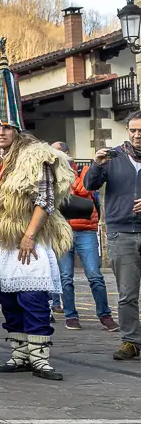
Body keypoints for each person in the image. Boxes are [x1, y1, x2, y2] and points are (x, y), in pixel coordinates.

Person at [0, 40, 72, 380]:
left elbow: (45, 200)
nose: (1, 132)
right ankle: (19, 353)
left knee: (31, 295)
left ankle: (40, 356)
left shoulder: (35, 156)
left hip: (26, 235)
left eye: (7, 127)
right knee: (7, 297)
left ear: (16, 129)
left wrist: (29, 235)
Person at [84, 109, 141, 360]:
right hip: (122, 232)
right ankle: (131, 341)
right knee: (127, 293)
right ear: (127, 131)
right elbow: (89, 185)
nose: (137, 135)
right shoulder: (113, 156)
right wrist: (95, 165)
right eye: (133, 130)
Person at [52, 141, 116, 332]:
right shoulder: (51, 174)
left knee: (95, 275)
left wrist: (68, 183)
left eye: (58, 153)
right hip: (62, 230)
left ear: (66, 153)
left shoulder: (84, 170)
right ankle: (71, 316)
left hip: (85, 230)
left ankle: (105, 315)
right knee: (65, 277)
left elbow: (85, 189)